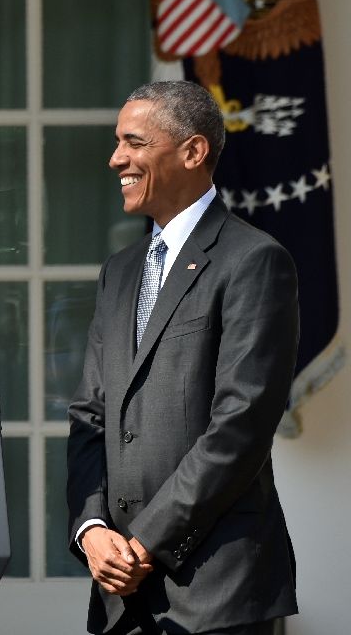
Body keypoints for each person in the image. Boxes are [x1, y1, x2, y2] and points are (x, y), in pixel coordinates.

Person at [66, 81, 299, 634]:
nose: (115, 158)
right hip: (121, 595)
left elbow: (240, 425)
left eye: (134, 142)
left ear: (193, 152)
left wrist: (145, 543)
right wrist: (92, 527)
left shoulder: (255, 260)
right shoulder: (119, 271)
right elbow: (89, 416)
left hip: (216, 591)